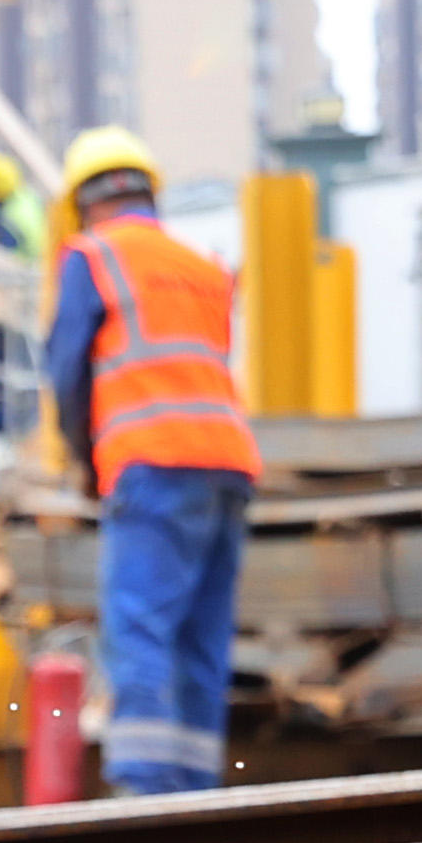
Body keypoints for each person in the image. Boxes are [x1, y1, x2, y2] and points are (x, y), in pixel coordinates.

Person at [40, 125, 263, 794]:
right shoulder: (201, 265)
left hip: (152, 461)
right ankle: (195, 795)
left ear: (84, 201)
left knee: (140, 627)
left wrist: (84, 459)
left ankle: (143, 791)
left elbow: (67, 372)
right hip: (227, 462)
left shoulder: (93, 255)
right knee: (201, 636)